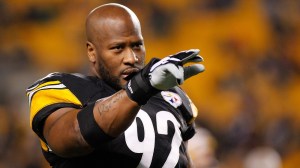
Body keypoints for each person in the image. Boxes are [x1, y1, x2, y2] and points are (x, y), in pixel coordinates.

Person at [26, 3, 205, 168]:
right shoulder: (64, 88)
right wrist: (140, 88)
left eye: (137, 46)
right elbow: (72, 137)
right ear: (91, 52)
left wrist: (145, 87)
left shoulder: (172, 96)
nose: (131, 58)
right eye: (118, 48)